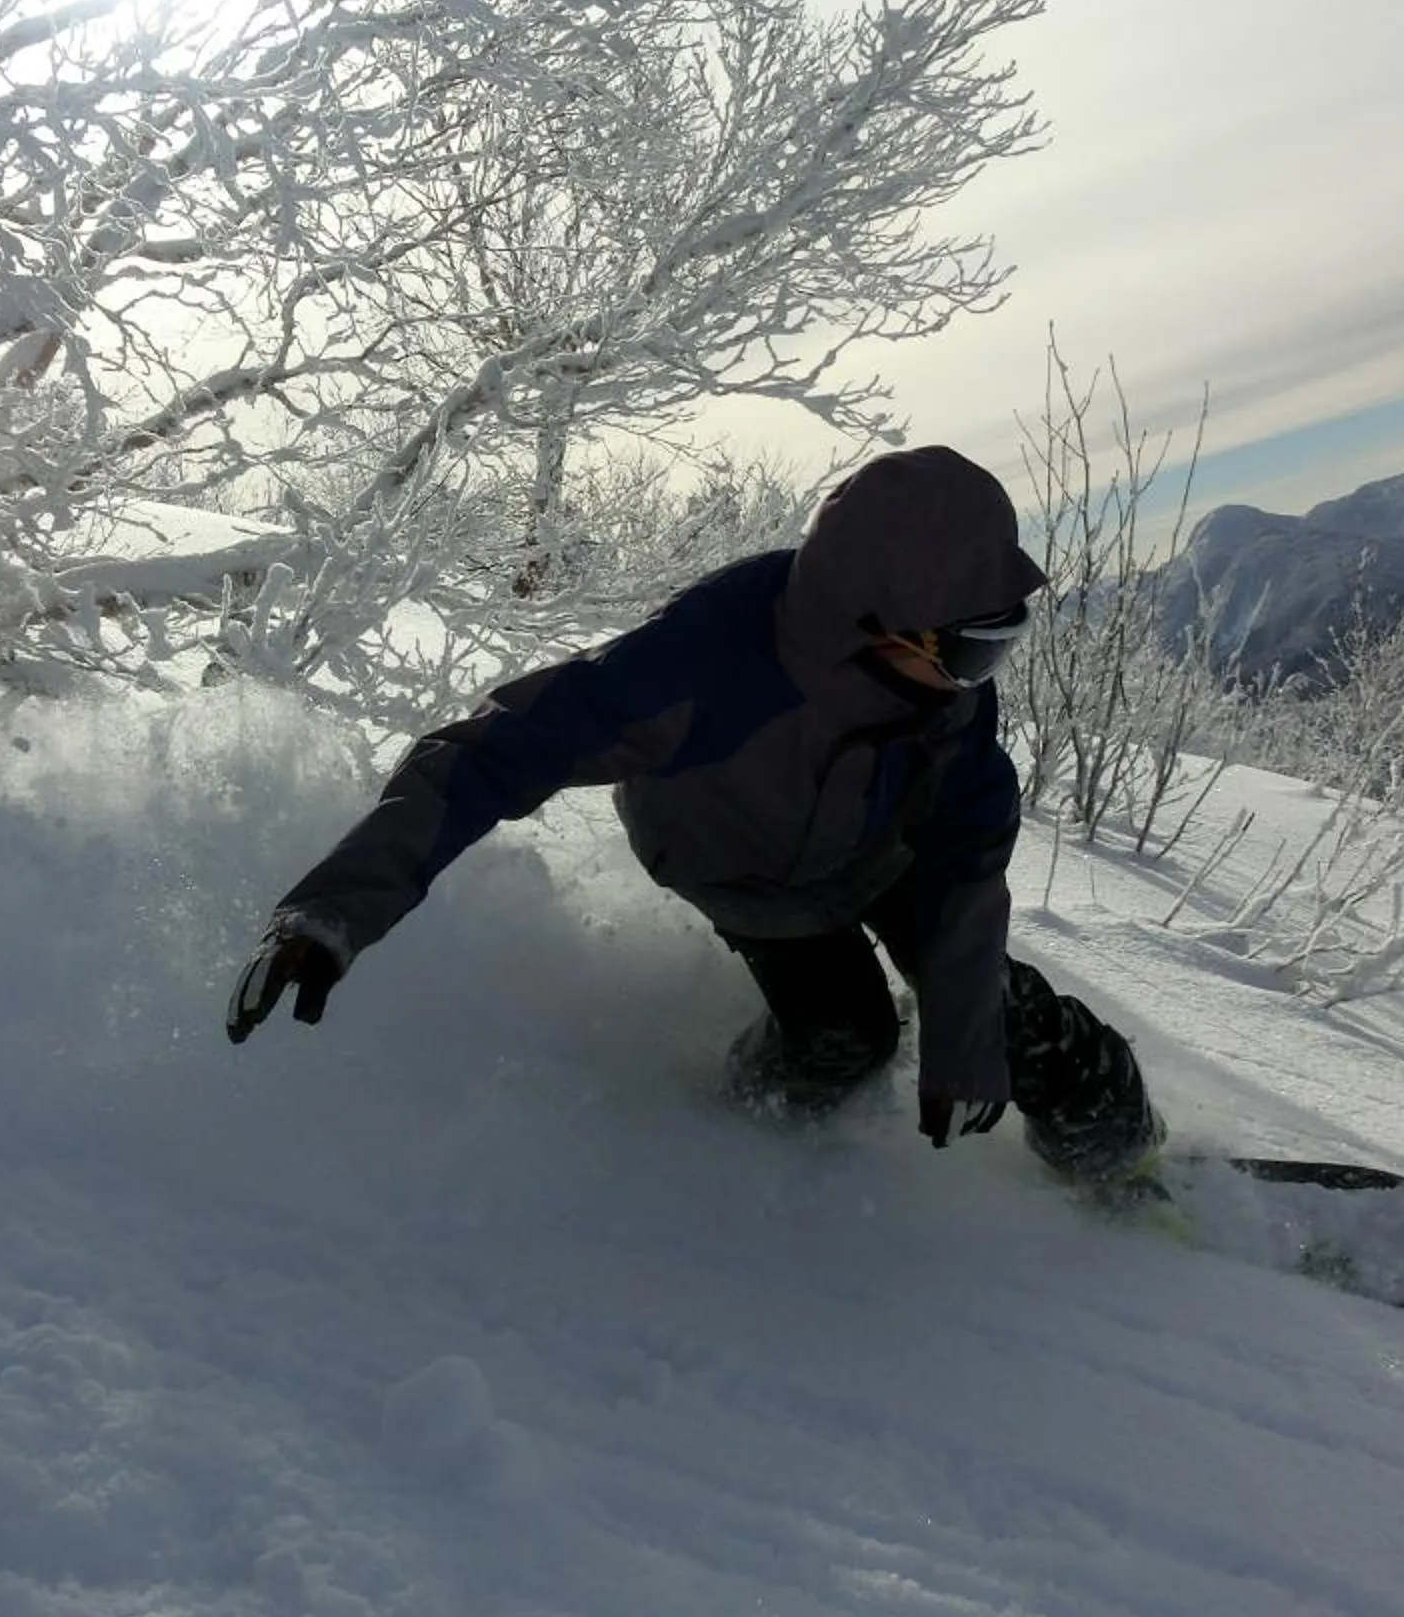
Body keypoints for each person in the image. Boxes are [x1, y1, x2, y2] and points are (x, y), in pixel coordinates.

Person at [223, 444, 1164, 1183]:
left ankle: (1123, 1157)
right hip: (750, 872)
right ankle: (735, 1132)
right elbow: (485, 760)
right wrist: (333, 913)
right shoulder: (698, 674)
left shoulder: (941, 698)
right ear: (883, 622)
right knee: (844, 1042)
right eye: (969, 650)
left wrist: (964, 1046)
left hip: (890, 844)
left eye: (999, 647)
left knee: (1006, 1023)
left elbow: (966, 859)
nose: (979, 675)